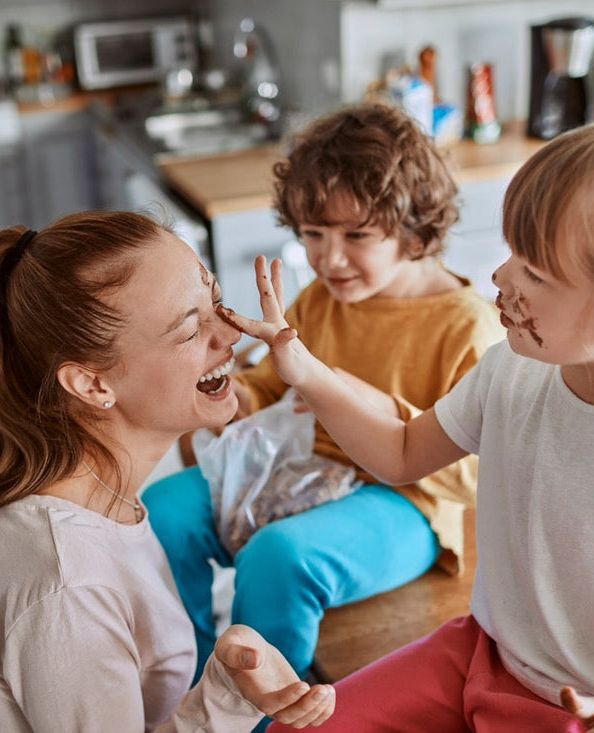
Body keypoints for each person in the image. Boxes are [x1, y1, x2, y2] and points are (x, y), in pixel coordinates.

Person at [226, 115, 594, 732]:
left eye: (534, 271)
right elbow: (403, 452)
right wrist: (306, 371)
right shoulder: (512, 369)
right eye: (514, 253)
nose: (500, 277)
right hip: (483, 654)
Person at [0, 211, 335, 731]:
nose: (229, 336)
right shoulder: (66, 587)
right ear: (92, 385)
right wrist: (226, 696)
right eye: (190, 330)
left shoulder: (78, 489)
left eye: (214, 301)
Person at [144, 102, 504, 687]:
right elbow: (267, 383)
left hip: (405, 504)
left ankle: (262, 715)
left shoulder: (466, 326)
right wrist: (231, 395)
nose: (329, 258)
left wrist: (377, 408)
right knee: (162, 513)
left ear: (413, 230)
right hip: (301, 469)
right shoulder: (320, 299)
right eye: (313, 233)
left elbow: (479, 476)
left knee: (277, 560)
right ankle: (191, 687)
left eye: (357, 234)